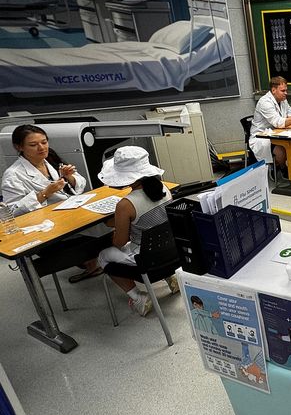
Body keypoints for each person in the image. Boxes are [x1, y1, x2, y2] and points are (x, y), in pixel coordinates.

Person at [1, 124, 107, 282]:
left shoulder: (49, 159)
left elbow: (78, 183)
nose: (41, 147)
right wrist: (44, 194)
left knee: (106, 222)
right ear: (19, 147)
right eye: (33, 144)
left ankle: (95, 261)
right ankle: (95, 259)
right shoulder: (13, 175)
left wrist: (69, 177)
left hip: (67, 214)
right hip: (45, 228)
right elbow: (12, 212)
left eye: (44, 142)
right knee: (102, 238)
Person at [96, 146, 176, 316]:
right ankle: (171, 277)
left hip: (145, 258)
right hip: (171, 252)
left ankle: (138, 297)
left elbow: (119, 242)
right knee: (156, 238)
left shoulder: (125, 204)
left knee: (104, 256)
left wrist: (119, 224)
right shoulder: (164, 188)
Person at [248, 76, 291, 175]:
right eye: (283, 91)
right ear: (273, 90)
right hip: (263, 136)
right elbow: (278, 123)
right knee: (281, 152)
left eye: (286, 90)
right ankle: (279, 167)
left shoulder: (283, 99)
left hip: (278, 132)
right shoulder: (265, 102)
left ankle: (289, 166)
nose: (286, 93)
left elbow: (290, 114)